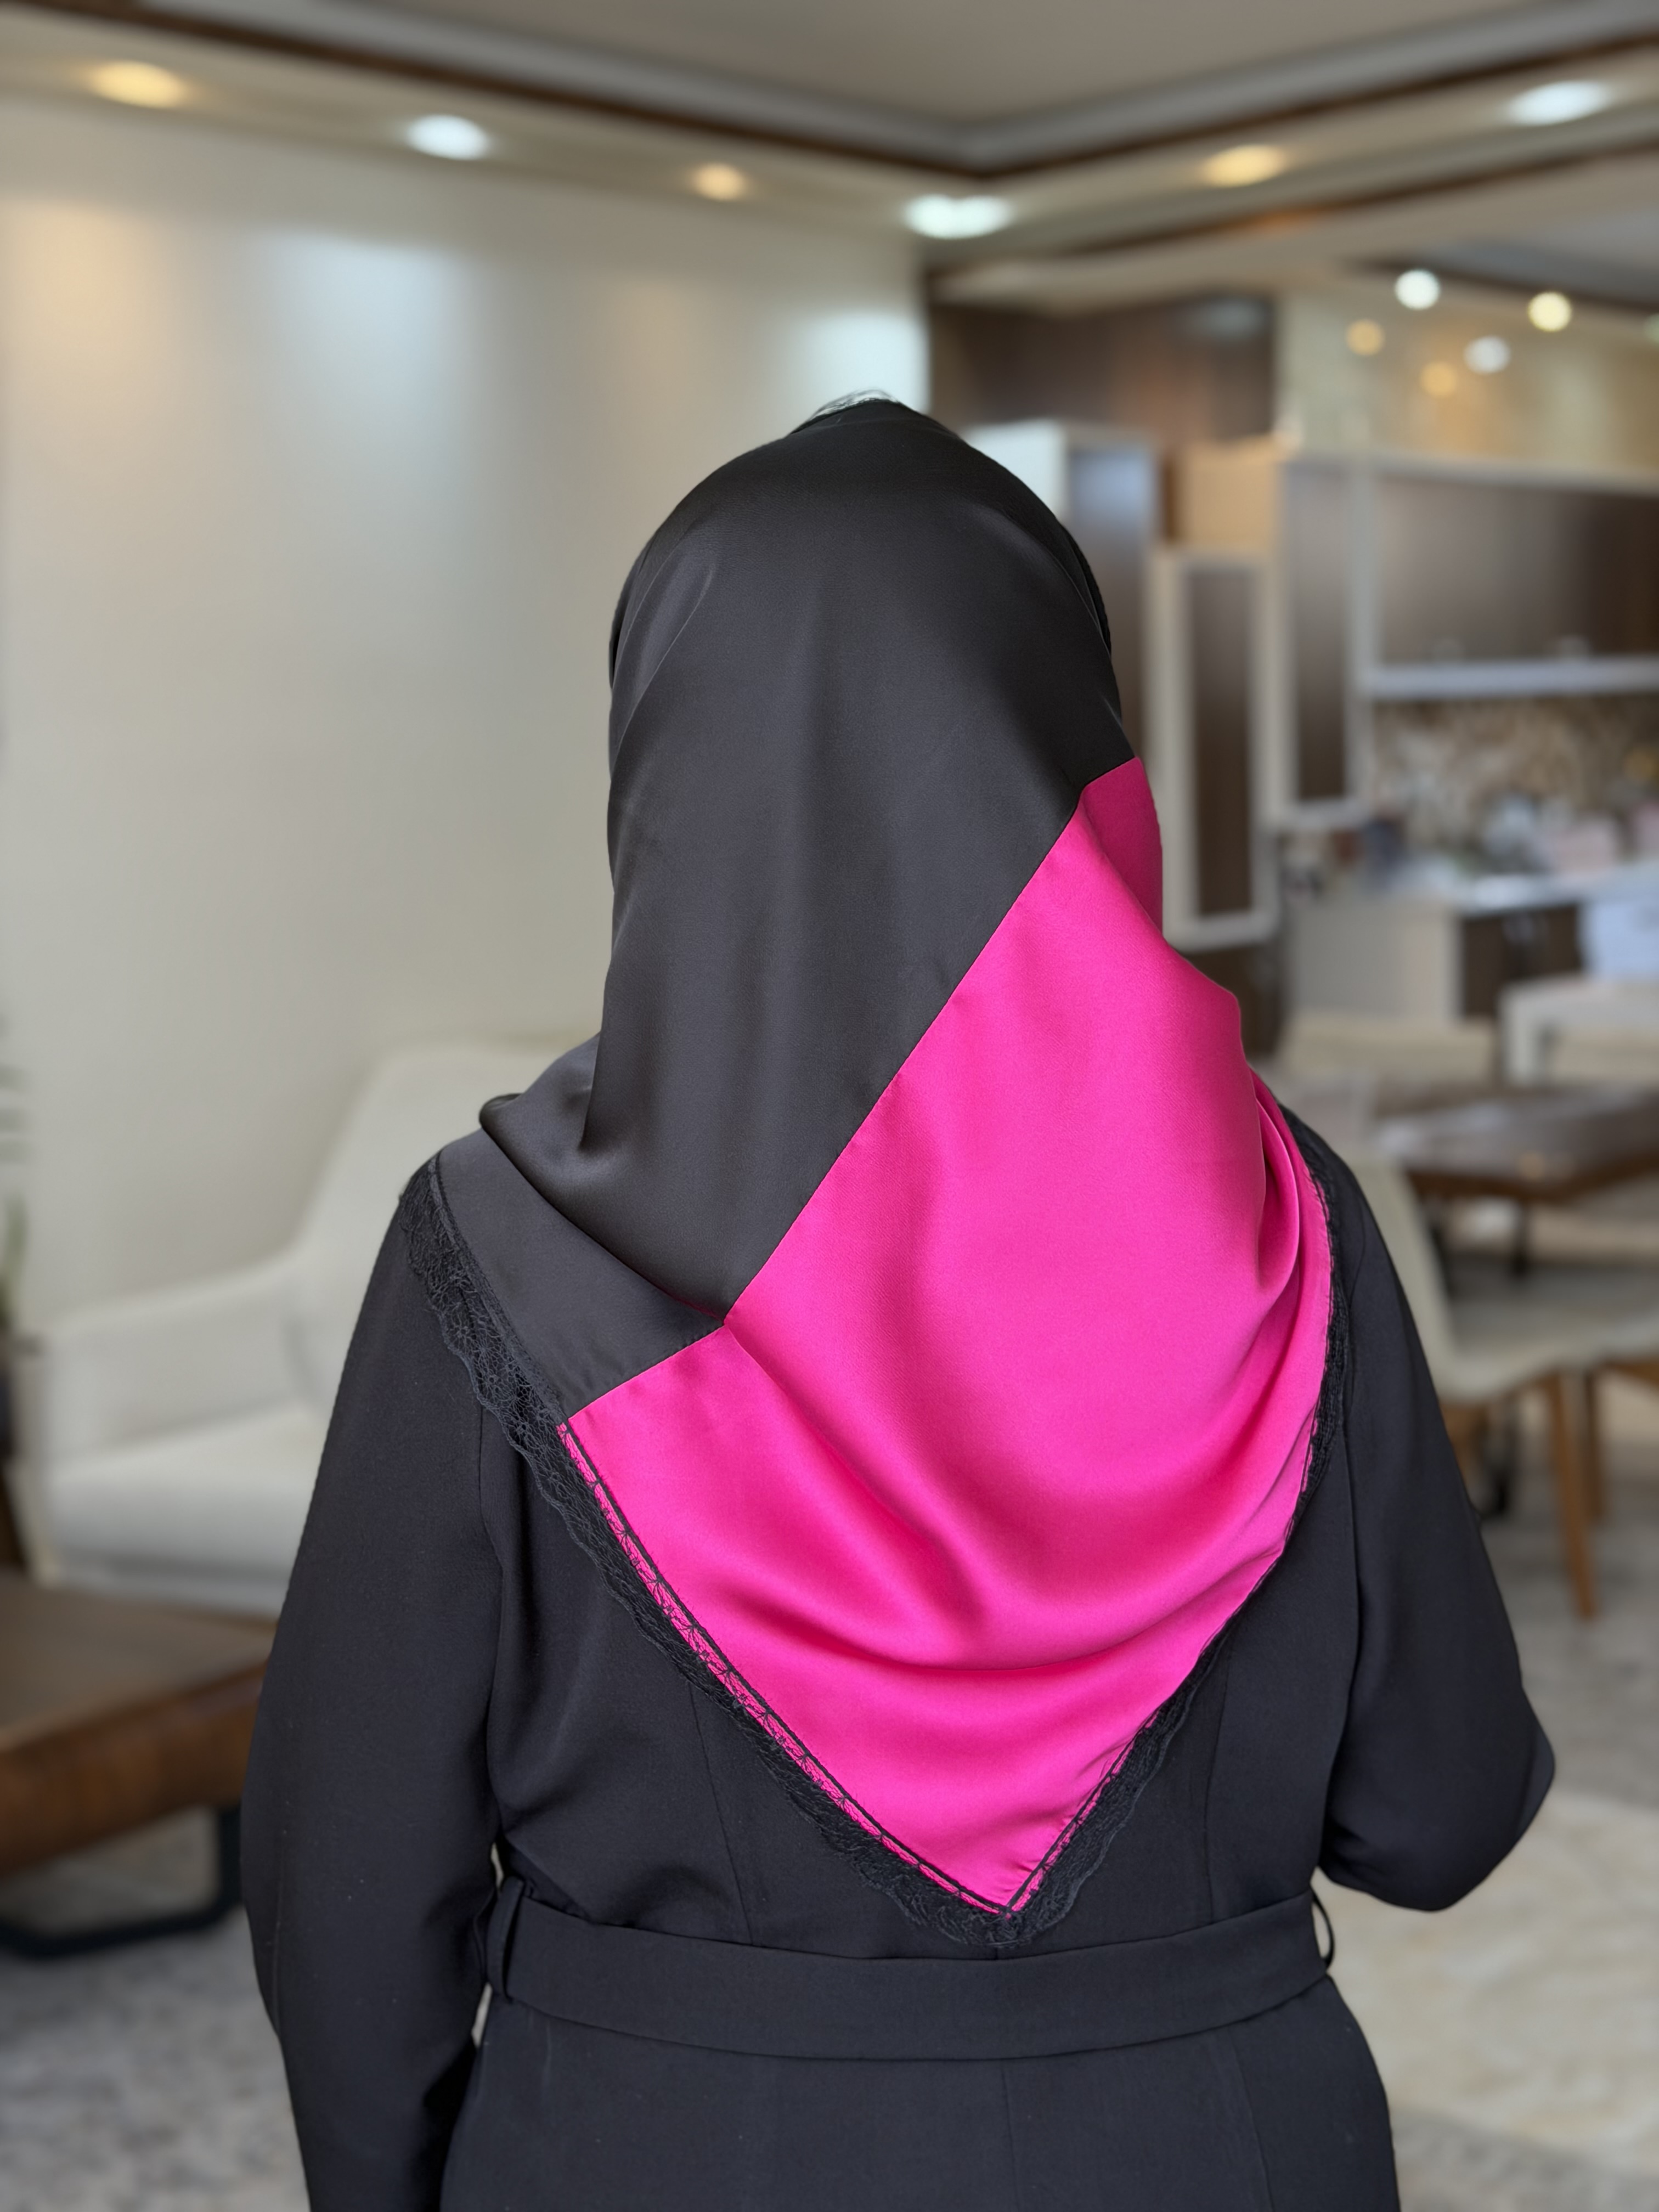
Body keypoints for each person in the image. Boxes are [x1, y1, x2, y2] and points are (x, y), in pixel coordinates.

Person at [243, 398, 1550, 2212]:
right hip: (1213, 2140)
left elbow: (350, 1878)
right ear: (1075, 746)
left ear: (664, 768)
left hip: (646, 2146)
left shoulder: (495, 1239)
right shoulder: (1288, 1215)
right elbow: (1437, 1814)